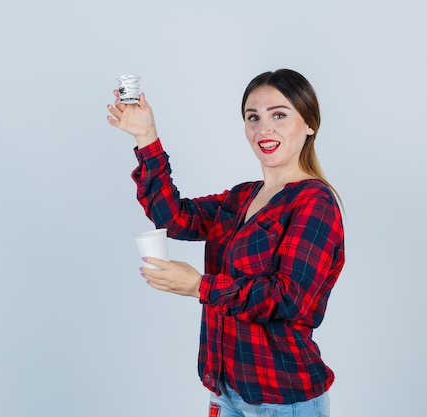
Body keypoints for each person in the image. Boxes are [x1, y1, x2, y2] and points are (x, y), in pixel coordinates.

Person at [106, 69, 345, 417]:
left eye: (279, 114)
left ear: (309, 124)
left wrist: (199, 287)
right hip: (226, 394)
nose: (264, 129)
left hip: (283, 403)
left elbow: (289, 300)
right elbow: (174, 218)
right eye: (253, 117)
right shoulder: (240, 198)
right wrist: (146, 136)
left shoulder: (315, 203)